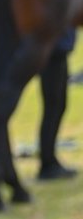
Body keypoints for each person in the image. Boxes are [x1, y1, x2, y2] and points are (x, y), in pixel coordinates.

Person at [38, 28, 77, 180]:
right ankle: (47, 163)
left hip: (59, 51)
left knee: (58, 106)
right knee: (53, 106)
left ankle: (50, 159)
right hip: (53, 53)